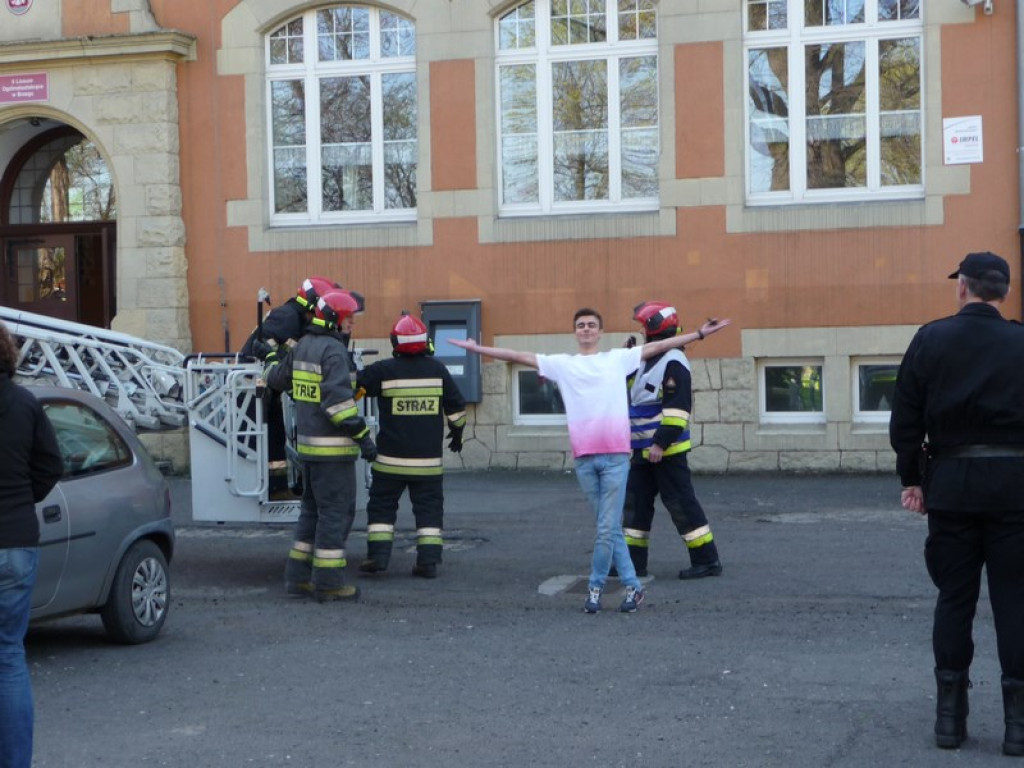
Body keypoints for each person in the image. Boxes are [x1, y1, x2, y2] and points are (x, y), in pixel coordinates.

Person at [450, 308, 730, 614]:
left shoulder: (628, 359)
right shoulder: (568, 364)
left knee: (633, 518)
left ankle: (610, 585)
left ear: (599, 330)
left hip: (633, 454)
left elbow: (665, 361)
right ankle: (631, 574)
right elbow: (518, 355)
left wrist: (701, 334)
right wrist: (477, 349)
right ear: (575, 331)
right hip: (599, 456)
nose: (586, 329)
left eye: (591, 325)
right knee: (620, 520)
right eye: (581, 325)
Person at [889, 250, 1024, 756]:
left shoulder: (932, 338)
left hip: (952, 486)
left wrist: (913, 478)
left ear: (962, 287)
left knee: (954, 599)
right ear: (1004, 292)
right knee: (1016, 600)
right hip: (1015, 488)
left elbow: (905, 418)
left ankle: (950, 720)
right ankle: (1019, 727)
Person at [264, 289, 377, 603]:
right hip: (333, 452)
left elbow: (276, 379)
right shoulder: (333, 352)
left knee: (311, 514)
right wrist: (364, 438)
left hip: (309, 451)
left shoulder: (303, 348)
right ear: (334, 321)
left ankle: (297, 578)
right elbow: (338, 406)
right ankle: (328, 583)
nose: (352, 325)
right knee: (335, 515)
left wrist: (270, 357)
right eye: (349, 319)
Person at [356, 312, 467, 579]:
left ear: (396, 342)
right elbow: (457, 408)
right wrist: (457, 432)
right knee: (429, 511)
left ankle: (378, 559)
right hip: (427, 463)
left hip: (389, 461)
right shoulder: (438, 370)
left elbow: (354, 385)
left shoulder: (383, 370)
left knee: (382, 508)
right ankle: (428, 563)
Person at [0, 320, 64, 768]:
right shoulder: (24, 404)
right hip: (16, 541)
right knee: (8, 659)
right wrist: (23, 501)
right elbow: (50, 465)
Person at [623, 301, 722, 580]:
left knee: (681, 504)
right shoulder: (646, 359)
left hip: (664, 451)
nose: (642, 332)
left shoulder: (674, 362)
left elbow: (678, 411)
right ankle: (632, 564)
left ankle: (707, 560)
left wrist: (660, 444)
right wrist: (628, 357)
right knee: (634, 507)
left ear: (656, 329)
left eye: (644, 327)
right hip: (642, 450)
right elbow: (630, 393)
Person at [240, 276, 341, 499]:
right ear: (313, 303)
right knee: (268, 437)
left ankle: (279, 488)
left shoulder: (298, 319)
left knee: (276, 436)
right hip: (252, 384)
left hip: (268, 384)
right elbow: (263, 346)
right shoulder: (287, 316)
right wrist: (277, 363)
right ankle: (274, 490)